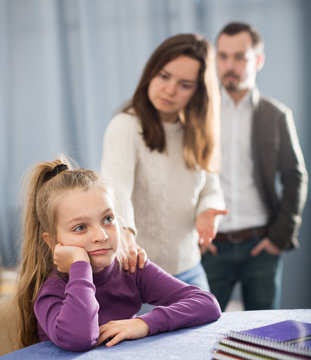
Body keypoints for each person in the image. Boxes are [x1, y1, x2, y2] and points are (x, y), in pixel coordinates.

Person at [15, 156, 221, 352]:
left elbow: (207, 304)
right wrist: (80, 265)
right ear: (52, 242)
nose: (101, 235)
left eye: (107, 219)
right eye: (80, 227)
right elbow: (80, 338)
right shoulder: (52, 290)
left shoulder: (130, 268)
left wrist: (144, 323)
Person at [101, 33, 227, 291]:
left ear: (198, 92)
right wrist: (125, 235)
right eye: (164, 76)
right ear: (151, 73)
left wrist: (208, 211)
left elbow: (211, 189)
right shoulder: (125, 126)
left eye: (185, 84)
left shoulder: (197, 131)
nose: (170, 90)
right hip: (139, 272)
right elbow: (116, 190)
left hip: (190, 267)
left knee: (211, 328)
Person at [201, 22, 308, 310]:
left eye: (239, 57)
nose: (229, 65)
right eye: (222, 56)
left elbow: (295, 178)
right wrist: (192, 234)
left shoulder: (276, 115)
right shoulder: (200, 113)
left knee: (265, 337)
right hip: (211, 246)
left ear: (258, 60)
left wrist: (279, 238)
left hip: (261, 245)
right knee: (199, 332)